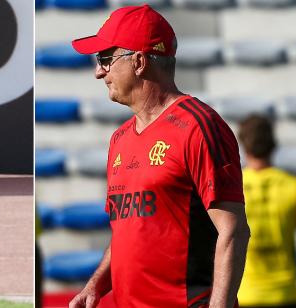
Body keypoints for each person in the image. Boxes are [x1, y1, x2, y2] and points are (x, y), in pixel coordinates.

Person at [68, 5, 250, 308]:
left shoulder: (199, 126)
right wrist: (96, 284)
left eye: (105, 59)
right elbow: (131, 227)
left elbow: (233, 230)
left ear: (139, 62)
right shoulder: (120, 138)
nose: (99, 72)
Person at [237, 114, 296, 308]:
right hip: (283, 293)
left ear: (244, 146)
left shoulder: (234, 186)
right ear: (273, 145)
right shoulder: (295, 186)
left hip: (245, 293)